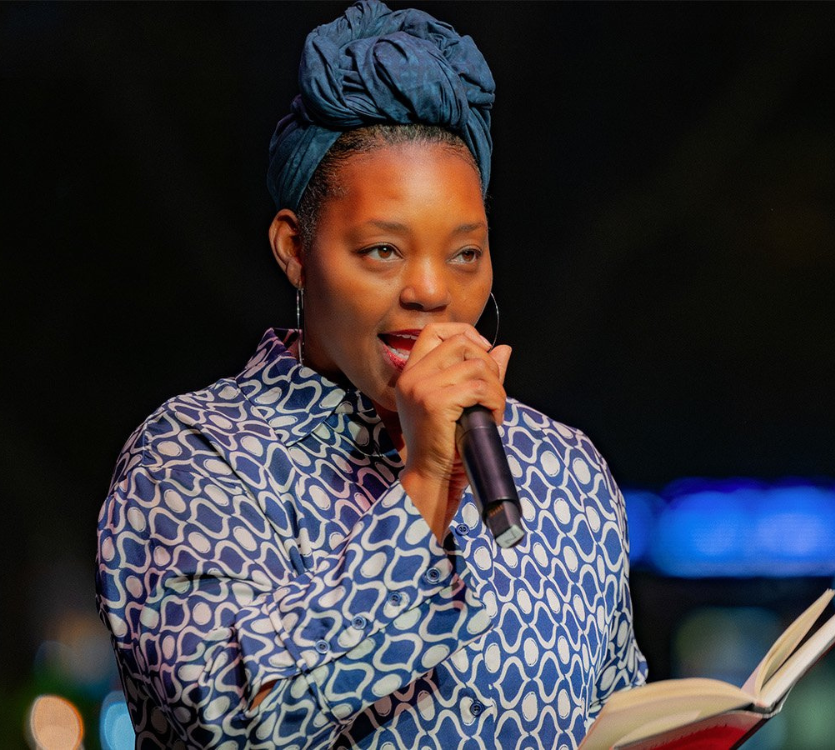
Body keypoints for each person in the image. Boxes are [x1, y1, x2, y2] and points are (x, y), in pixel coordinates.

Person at [94, 2, 647, 748]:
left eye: (464, 253)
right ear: (295, 250)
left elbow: (616, 716)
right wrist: (425, 483)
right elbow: (224, 720)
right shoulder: (194, 458)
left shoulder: (565, 470)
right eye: (383, 250)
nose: (432, 291)